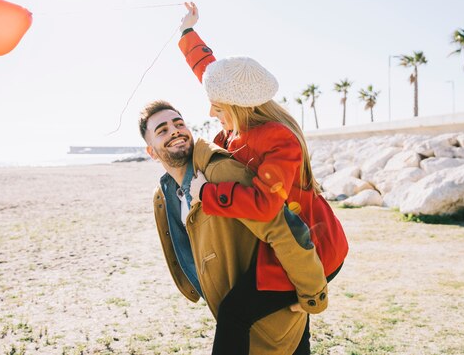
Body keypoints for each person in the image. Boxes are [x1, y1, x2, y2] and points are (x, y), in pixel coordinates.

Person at [178, 3, 349, 355]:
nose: (210, 112)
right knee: (292, 325)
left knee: (235, 313)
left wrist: (206, 194)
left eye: (218, 107)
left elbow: (264, 203)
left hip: (312, 248)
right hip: (284, 239)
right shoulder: (239, 111)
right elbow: (211, 71)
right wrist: (187, 33)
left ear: (240, 107)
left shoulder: (278, 140)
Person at [140, 100, 329, 355]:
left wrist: (312, 295)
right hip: (243, 321)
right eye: (161, 130)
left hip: (272, 320)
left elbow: (283, 226)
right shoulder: (165, 195)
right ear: (151, 151)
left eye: (178, 123)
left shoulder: (219, 172)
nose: (174, 131)